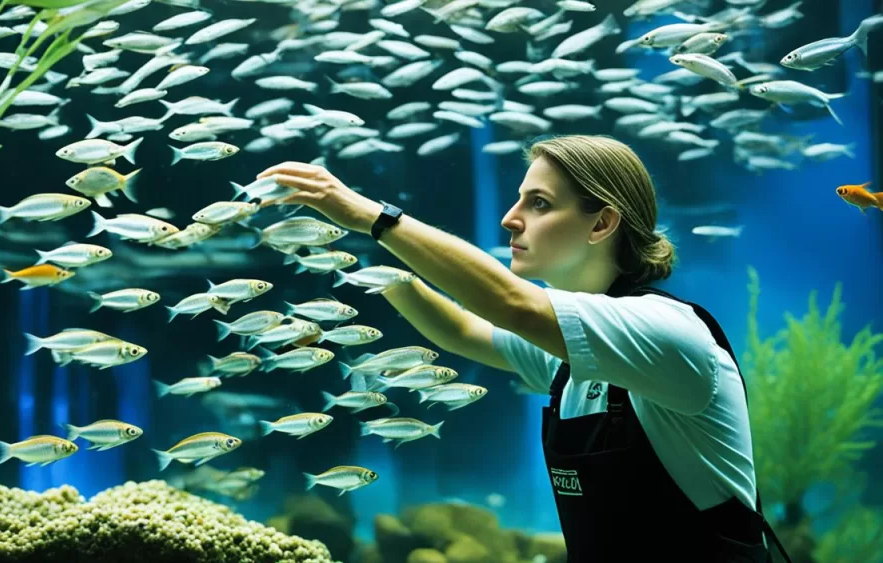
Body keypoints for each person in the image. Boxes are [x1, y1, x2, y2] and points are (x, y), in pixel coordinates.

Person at [256, 134, 792, 563]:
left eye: (538, 203)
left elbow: (510, 304)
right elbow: (465, 330)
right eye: (517, 199)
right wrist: (367, 270)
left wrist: (374, 218)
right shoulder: (574, 352)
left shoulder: (664, 330)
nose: (511, 218)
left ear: (602, 222)